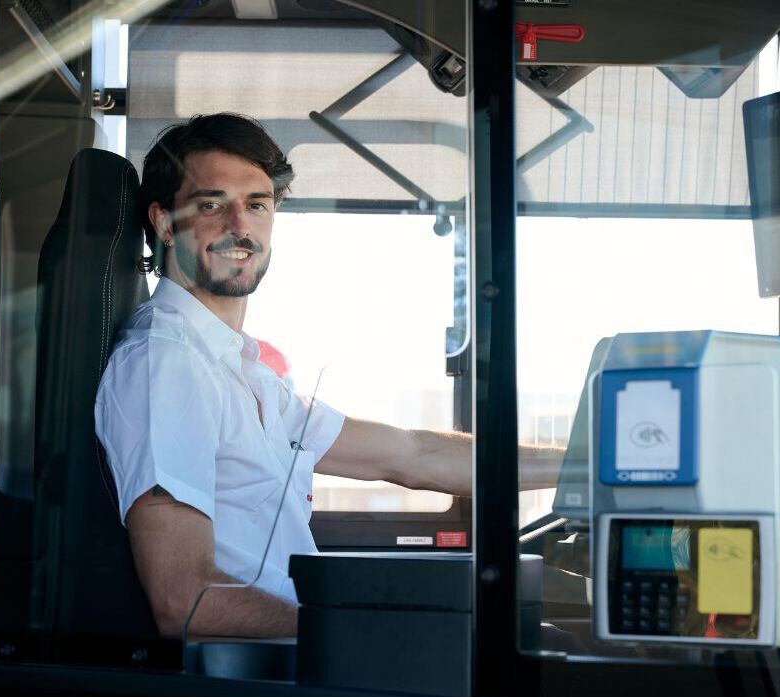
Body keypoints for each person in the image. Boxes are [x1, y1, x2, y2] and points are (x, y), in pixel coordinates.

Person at [95, 113, 559, 639]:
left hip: (294, 646)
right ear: (163, 222)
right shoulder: (167, 364)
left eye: (257, 204)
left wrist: (587, 469)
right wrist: (368, 635)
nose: (239, 227)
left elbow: (413, 455)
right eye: (211, 205)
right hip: (259, 669)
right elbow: (184, 600)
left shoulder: (240, 372)